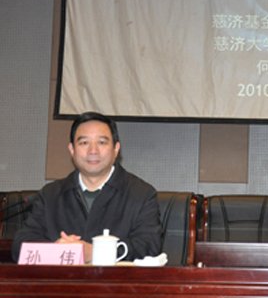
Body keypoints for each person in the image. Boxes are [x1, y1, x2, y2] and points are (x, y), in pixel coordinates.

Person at [12, 112, 162, 263]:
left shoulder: (141, 194)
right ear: (72, 150)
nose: (93, 151)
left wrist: (96, 252)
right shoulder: (50, 194)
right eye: (84, 143)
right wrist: (56, 250)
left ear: (116, 149)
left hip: (115, 279)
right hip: (62, 278)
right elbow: (21, 245)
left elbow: (149, 246)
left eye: (101, 142)